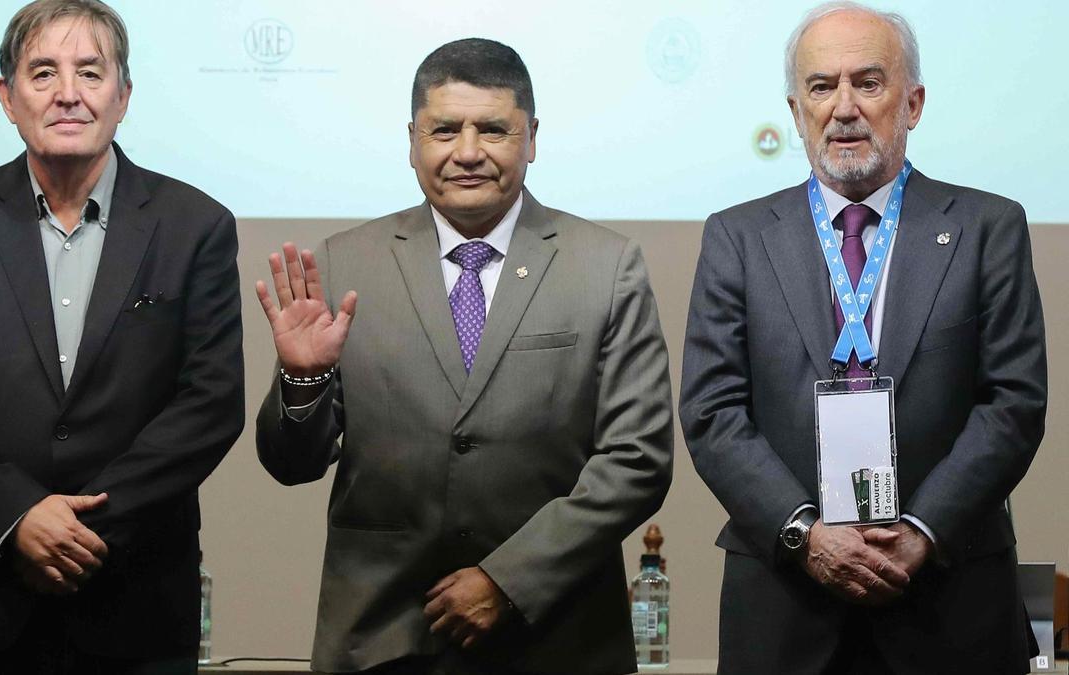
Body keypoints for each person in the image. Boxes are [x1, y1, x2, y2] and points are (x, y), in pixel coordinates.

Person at [255, 38, 673, 675]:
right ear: (413, 141)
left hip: (557, 639)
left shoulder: (606, 266)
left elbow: (637, 459)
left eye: (494, 130)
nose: (468, 152)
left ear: (531, 138)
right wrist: (302, 379)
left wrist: (510, 579)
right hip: (382, 640)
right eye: (445, 130)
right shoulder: (344, 263)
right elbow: (291, 464)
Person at [678, 2, 1046, 673]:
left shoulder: (988, 227)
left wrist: (923, 531)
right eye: (821, 87)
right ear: (796, 112)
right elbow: (712, 412)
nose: (843, 108)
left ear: (913, 104)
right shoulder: (737, 237)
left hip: (949, 603)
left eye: (868, 83)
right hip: (786, 607)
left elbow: (1013, 404)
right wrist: (806, 534)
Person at [0, 1, 244, 672]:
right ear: (7, 96)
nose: (68, 93)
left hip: (135, 607)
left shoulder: (196, 225)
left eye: (91, 72)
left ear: (123, 95)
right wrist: (18, 515)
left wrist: (80, 530)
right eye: (43, 72)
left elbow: (210, 403)